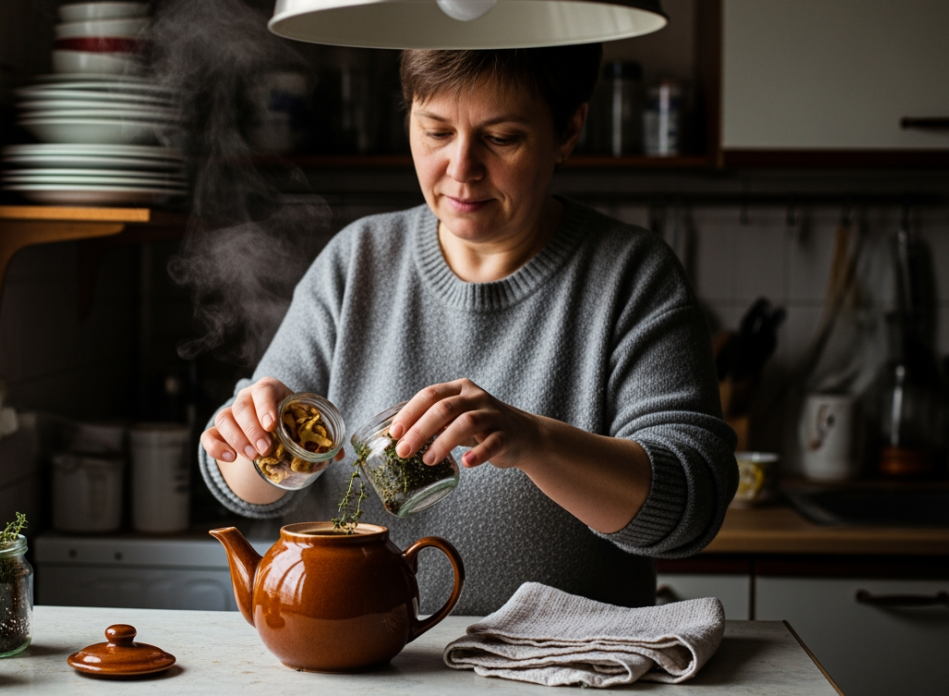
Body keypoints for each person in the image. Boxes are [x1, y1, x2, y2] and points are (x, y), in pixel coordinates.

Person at [198, 45, 738, 615]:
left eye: (500, 138)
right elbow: (246, 485)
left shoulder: (632, 275)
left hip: (568, 658)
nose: (461, 169)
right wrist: (249, 439)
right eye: (436, 132)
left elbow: (691, 509)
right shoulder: (356, 262)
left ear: (568, 132)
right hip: (374, 653)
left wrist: (534, 441)